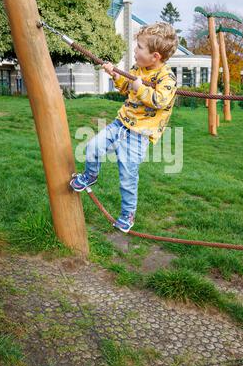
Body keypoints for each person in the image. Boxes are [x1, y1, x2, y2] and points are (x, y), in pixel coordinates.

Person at [70, 22, 178, 233]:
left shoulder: (167, 78)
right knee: (92, 148)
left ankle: (127, 215)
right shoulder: (137, 69)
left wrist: (140, 88)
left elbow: (159, 101)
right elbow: (125, 89)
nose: (135, 50)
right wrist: (115, 75)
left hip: (140, 135)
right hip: (120, 123)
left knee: (127, 178)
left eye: (139, 47)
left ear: (155, 56)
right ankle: (90, 175)